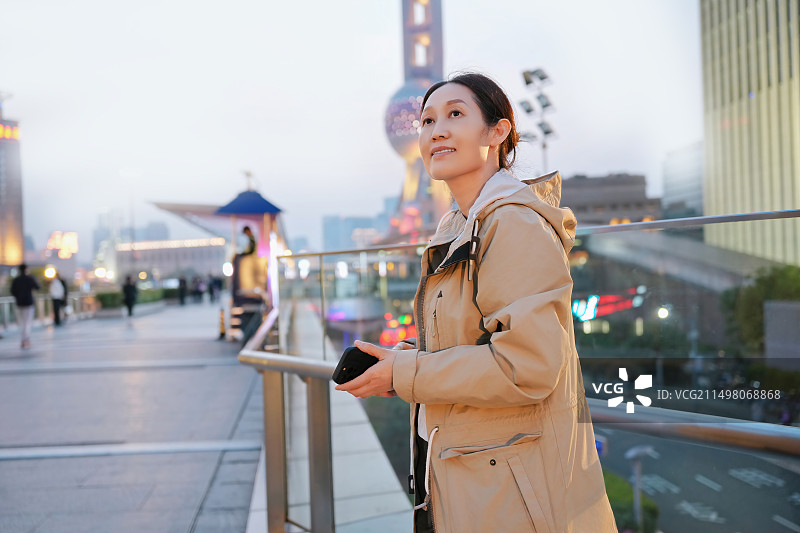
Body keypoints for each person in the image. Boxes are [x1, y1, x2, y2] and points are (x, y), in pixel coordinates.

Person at [336, 73, 617, 532]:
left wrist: (407, 374)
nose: (436, 130)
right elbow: (472, 343)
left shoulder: (513, 227)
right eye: (426, 121)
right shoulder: (459, 230)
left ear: (497, 132)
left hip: (516, 496)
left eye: (455, 114)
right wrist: (401, 365)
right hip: (470, 478)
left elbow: (527, 366)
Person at [11, 264, 40, 348]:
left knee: (21, 323)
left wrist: (18, 296)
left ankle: (24, 339)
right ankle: (25, 340)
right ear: (26, 269)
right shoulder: (29, 278)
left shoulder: (16, 280)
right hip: (28, 303)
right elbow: (38, 287)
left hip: (19, 303)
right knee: (27, 323)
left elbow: (12, 291)